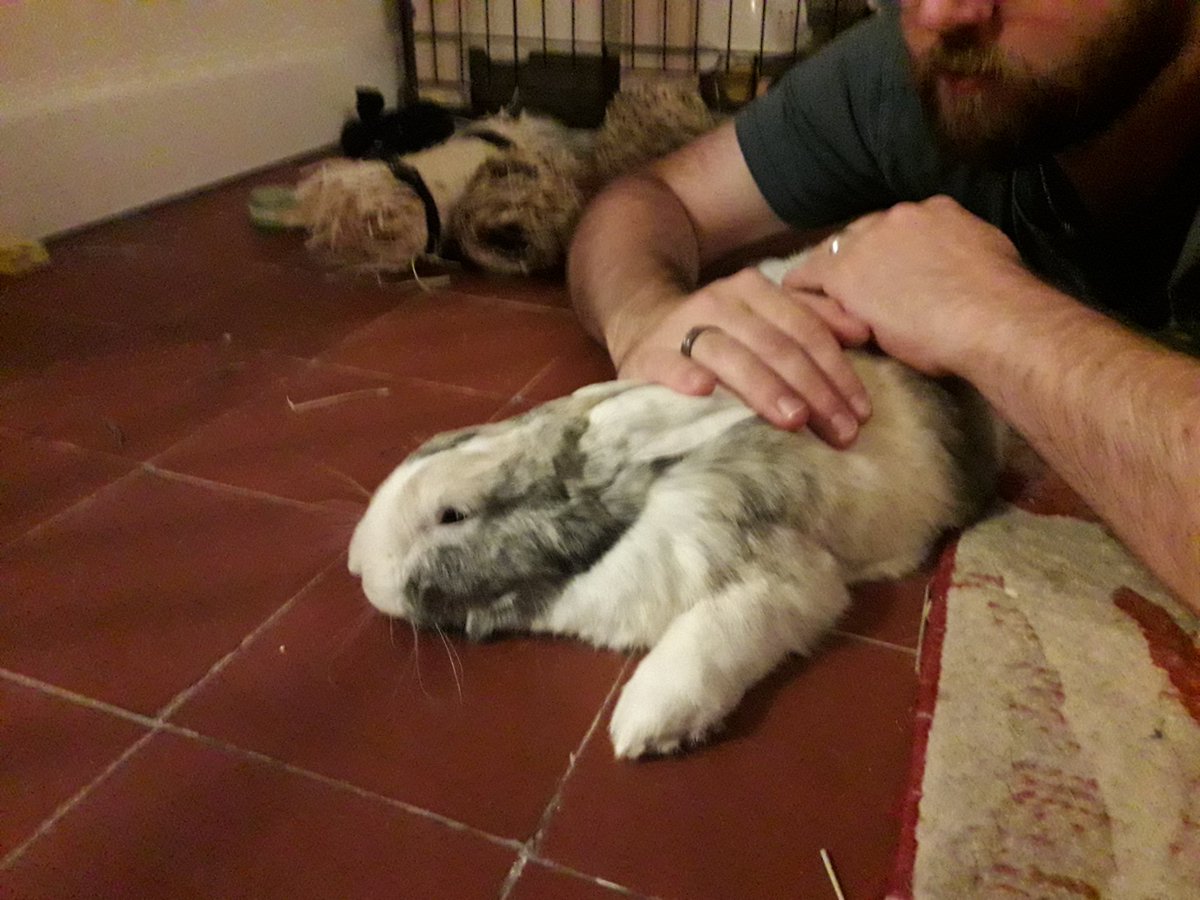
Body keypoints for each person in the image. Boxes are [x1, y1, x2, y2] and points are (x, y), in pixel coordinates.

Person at [567, 0, 1200, 610]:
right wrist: (644, 316)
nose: (938, 14)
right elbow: (652, 202)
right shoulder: (926, 71)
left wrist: (987, 313)